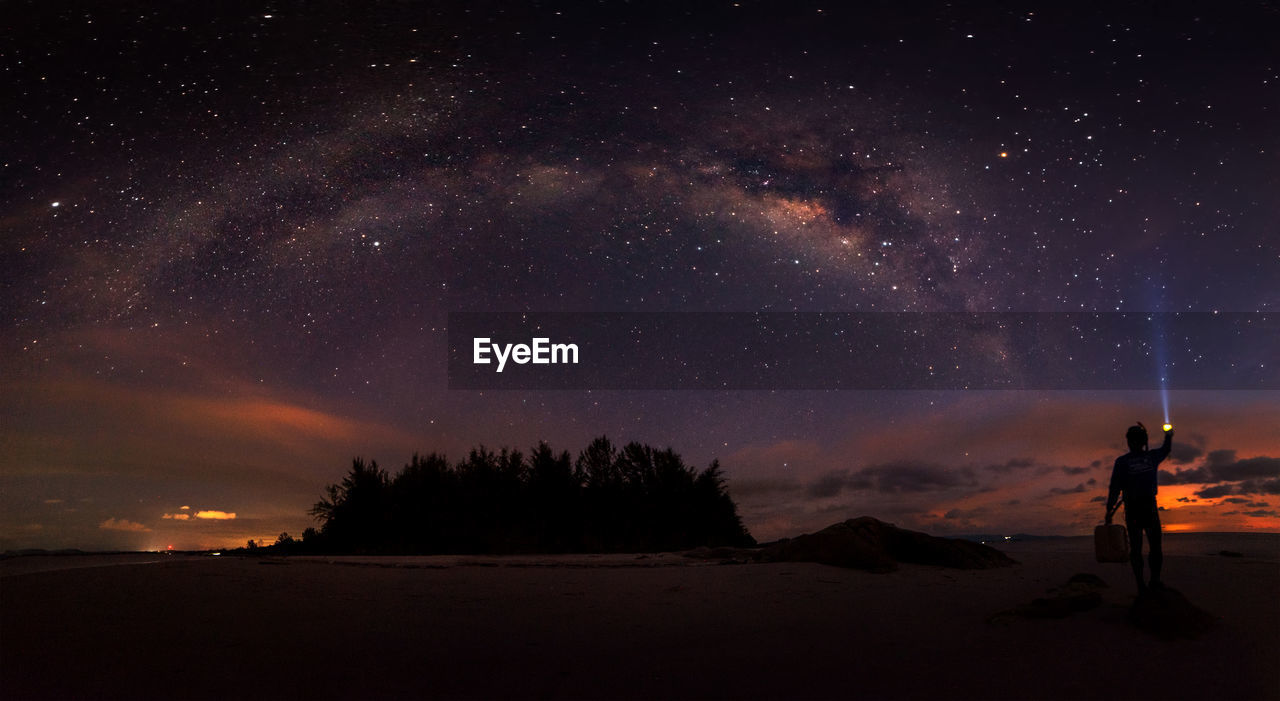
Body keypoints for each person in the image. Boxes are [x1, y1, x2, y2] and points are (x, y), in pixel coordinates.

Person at [1105, 421, 1172, 594]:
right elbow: (1114, 487)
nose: (1133, 442)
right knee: (1140, 547)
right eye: (1132, 439)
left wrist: (1168, 436)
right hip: (1137, 507)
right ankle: (1144, 584)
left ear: (1141, 441)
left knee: (1151, 546)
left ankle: (1152, 582)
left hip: (1146, 506)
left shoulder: (1145, 457)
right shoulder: (1127, 461)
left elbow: (1165, 449)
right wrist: (1109, 510)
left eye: (1136, 439)